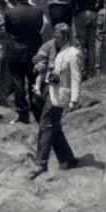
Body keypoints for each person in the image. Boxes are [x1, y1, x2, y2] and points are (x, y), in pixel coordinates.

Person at [30, 24, 81, 179]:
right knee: (54, 127)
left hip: (59, 95)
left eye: (58, 37)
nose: (55, 40)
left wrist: (74, 100)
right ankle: (68, 158)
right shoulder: (51, 46)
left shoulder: (73, 53)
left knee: (45, 126)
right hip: (49, 89)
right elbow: (37, 59)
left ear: (65, 37)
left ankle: (41, 163)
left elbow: (76, 78)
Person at [4, 0, 44, 124]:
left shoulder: (10, 13)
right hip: (33, 50)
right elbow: (39, 28)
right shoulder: (38, 11)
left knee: (18, 82)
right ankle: (38, 112)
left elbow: (8, 31)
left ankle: (23, 114)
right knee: (34, 81)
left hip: (16, 51)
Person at [71, 0, 101, 79]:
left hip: (81, 12)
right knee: (91, 43)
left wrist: (73, 8)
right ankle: (91, 70)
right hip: (93, 12)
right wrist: (99, 6)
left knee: (80, 43)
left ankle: (81, 70)